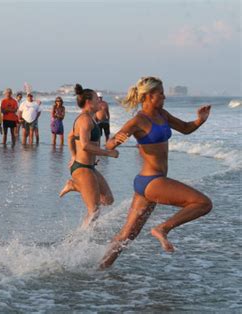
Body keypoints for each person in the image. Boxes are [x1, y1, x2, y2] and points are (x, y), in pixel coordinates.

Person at [99, 76, 212, 269]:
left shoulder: (162, 114)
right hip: (152, 180)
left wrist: (200, 120)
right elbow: (111, 143)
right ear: (150, 96)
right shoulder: (138, 120)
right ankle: (162, 228)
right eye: (161, 93)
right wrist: (118, 141)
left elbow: (185, 128)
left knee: (127, 235)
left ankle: (99, 270)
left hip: (148, 184)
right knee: (203, 203)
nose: (164, 96)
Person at [59, 85, 118, 228]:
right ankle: (81, 239)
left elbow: (70, 137)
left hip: (90, 167)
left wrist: (73, 155)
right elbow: (85, 145)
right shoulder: (84, 120)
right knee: (94, 210)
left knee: (108, 199)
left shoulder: (91, 119)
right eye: (96, 99)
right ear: (88, 102)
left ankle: (75, 185)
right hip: (82, 168)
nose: (100, 102)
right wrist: (107, 153)